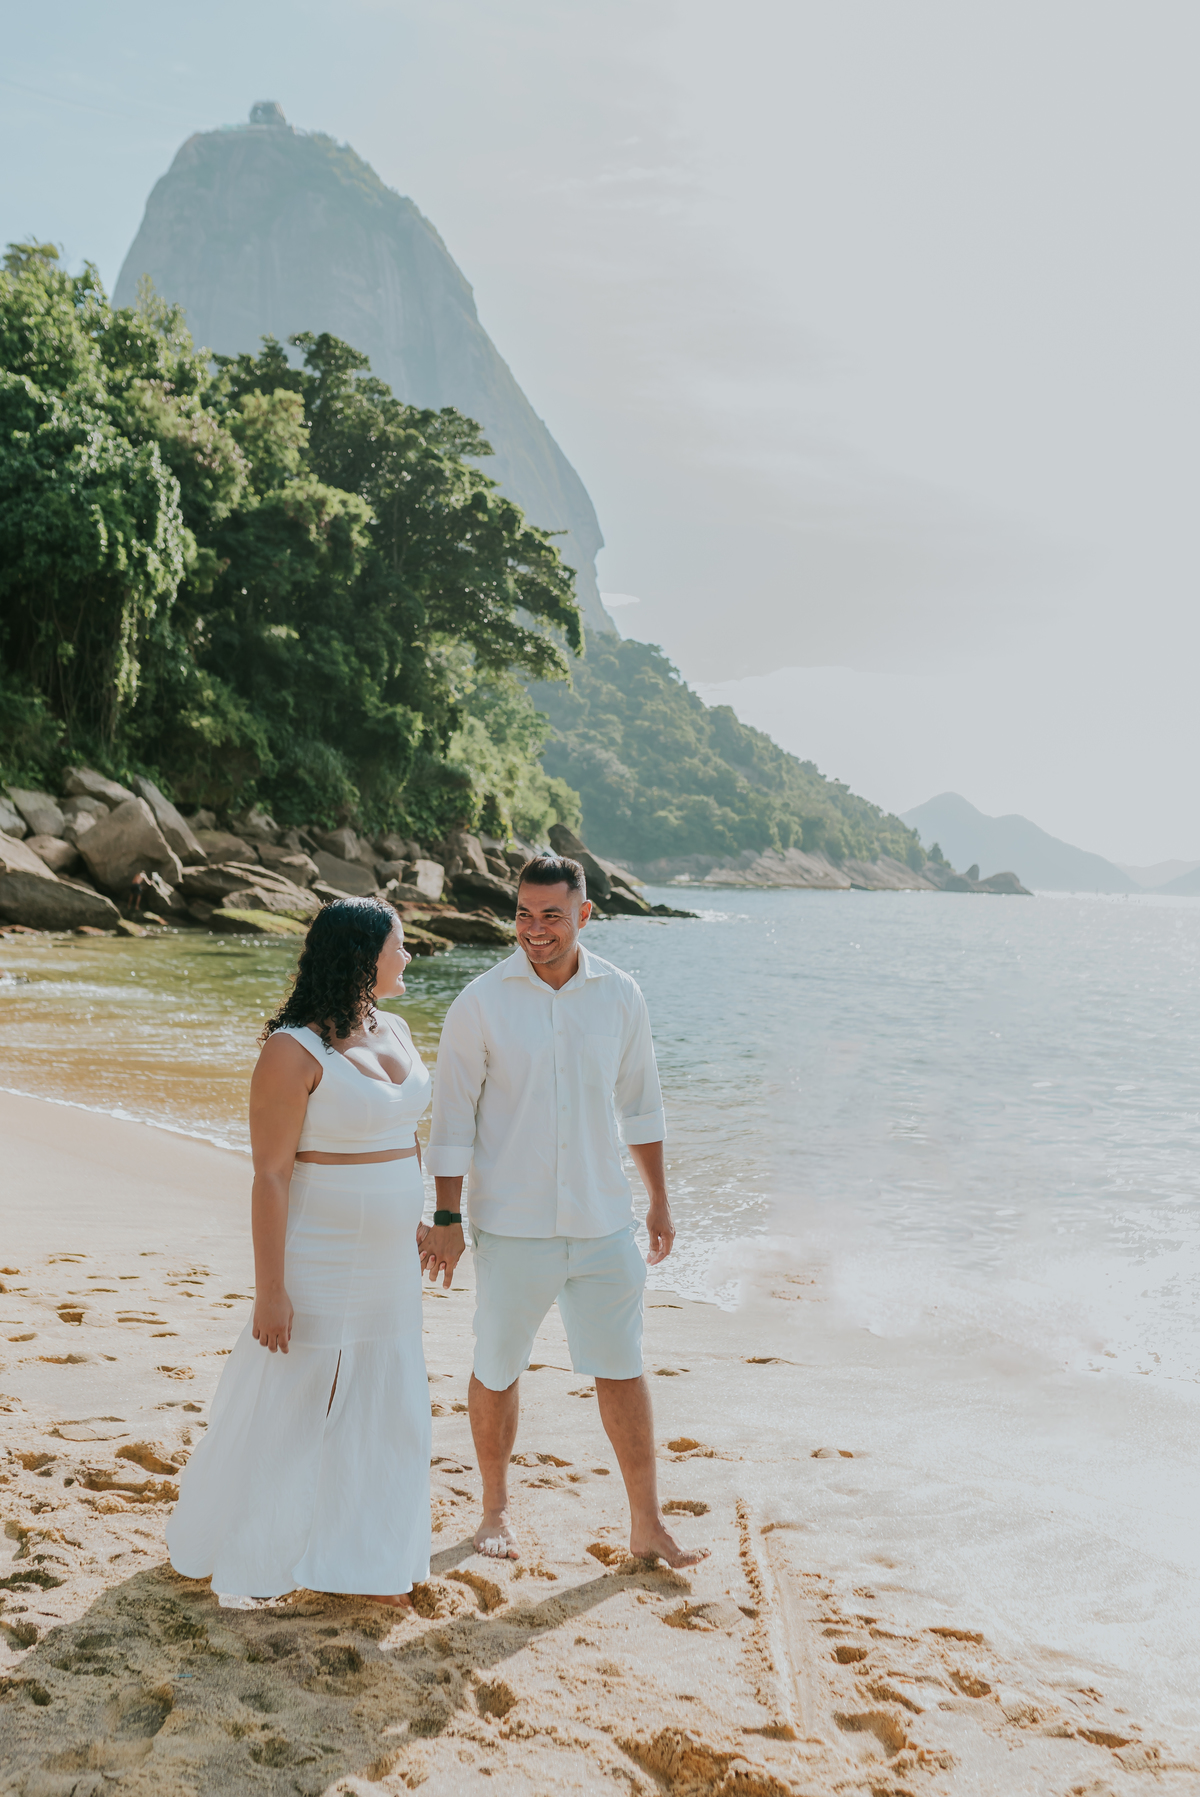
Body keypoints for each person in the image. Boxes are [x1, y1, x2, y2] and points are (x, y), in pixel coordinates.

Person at [422, 853, 709, 1569]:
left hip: (602, 1219)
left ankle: (646, 1525)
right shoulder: (481, 1002)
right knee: (497, 1368)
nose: (534, 929)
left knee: (623, 1366)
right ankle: (493, 1509)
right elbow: (451, 1121)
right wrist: (449, 1221)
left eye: (552, 915)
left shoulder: (620, 994)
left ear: (584, 914)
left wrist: (659, 1202)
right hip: (512, 1225)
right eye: (523, 912)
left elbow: (641, 1103)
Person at [167, 897, 433, 1607]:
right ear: (361, 955)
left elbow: (410, 1133)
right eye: (398, 946)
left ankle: (371, 1558)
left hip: (390, 1261)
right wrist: (270, 1289)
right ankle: (249, 1546)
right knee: (292, 1403)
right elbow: (271, 1175)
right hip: (318, 1256)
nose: (407, 957)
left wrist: (427, 1210)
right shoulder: (293, 1050)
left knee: (391, 1403)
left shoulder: (398, 1029)